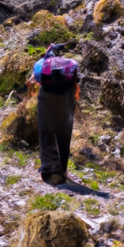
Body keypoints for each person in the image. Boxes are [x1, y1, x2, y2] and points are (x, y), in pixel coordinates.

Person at [32, 43, 108, 198]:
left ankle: (52, 171)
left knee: (47, 132)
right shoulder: (69, 68)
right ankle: (61, 170)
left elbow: (36, 79)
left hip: (48, 98)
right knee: (63, 132)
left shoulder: (42, 68)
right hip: (67, 97)